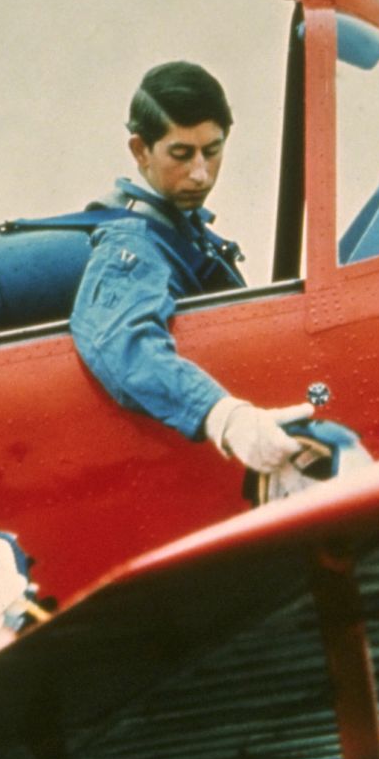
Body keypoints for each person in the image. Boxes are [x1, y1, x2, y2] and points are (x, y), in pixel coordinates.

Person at [71, 62, 311, 474]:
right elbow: (123, 342)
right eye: (181, 155)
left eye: (212, 151)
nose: (200, 173)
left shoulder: (188, 233)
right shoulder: (132, 241)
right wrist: (226, 417)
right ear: (140, 151)